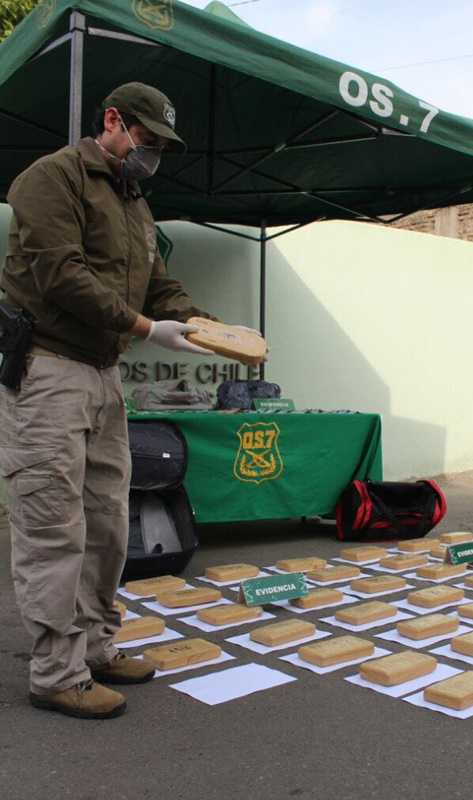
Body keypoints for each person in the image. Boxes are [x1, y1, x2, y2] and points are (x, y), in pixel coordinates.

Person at [0, 83, 235, 720]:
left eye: (161, 146)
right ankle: (54, 673)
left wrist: (204, 328)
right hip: (47, 369)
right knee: (53, 526)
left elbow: (157, 283)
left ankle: (97, 649)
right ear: (112, 121)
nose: (152, 155)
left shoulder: (133, 200)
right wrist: (145, 329)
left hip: (102, 375)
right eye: (148, 141)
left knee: (106, 522)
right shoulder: (51, 179)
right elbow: (60, 273)